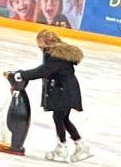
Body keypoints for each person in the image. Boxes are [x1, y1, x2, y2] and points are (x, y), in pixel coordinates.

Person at [5, 28, 86, 159]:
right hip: (65, 90)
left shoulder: (57, 56)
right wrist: (22, 75)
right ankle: (79, 145)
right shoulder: (56, 52)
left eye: (42, 47)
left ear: (49, 43)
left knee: (59, 118)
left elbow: (43, 71)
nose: (41, 50)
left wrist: (20, 75)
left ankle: (63, 147)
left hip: (64, 91)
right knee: (63, 118)